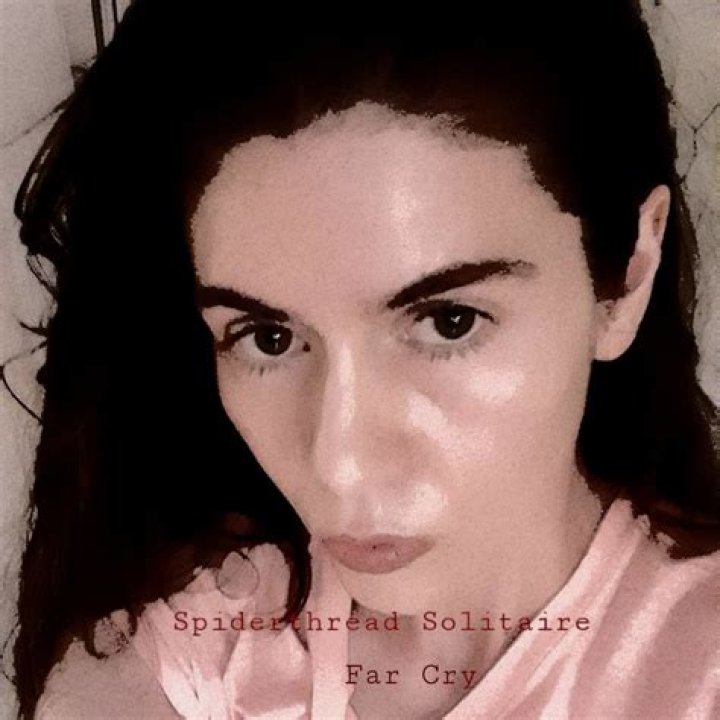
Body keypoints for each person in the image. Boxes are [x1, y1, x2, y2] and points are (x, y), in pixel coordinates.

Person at [7, 1, 720, 718]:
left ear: (627, 278)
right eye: (268, 337)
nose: (338, 464)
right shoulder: (201, 638)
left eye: (448, 323)